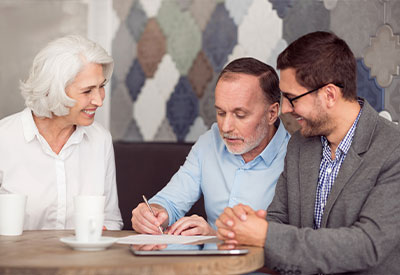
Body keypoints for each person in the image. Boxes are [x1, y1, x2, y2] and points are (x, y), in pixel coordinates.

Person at [216, 31, 400, 274]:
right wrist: (246, 226)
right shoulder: (299, 145)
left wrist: (265, 235)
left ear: (329, 95)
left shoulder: (392, 149)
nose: (285, 109)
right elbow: (278, 219)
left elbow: (368, 245)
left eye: (292, 98)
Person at [131, 57, 290, 236]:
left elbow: (288, 242)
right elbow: (172, 201)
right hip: (207, 263)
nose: (226, 127)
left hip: (260, 263)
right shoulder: (209, 142)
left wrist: (214, 236)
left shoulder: (296, 158)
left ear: (272, 114)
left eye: (240, 115)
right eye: (221, 113)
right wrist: (152, 214)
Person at [0, 35, 123, 230]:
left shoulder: (100, 139)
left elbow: (110, 220)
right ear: (52, 91)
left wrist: (99, 233)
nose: (99, 100)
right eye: (87, 91)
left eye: (101, 87)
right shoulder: (4, 139)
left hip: (82, 260)